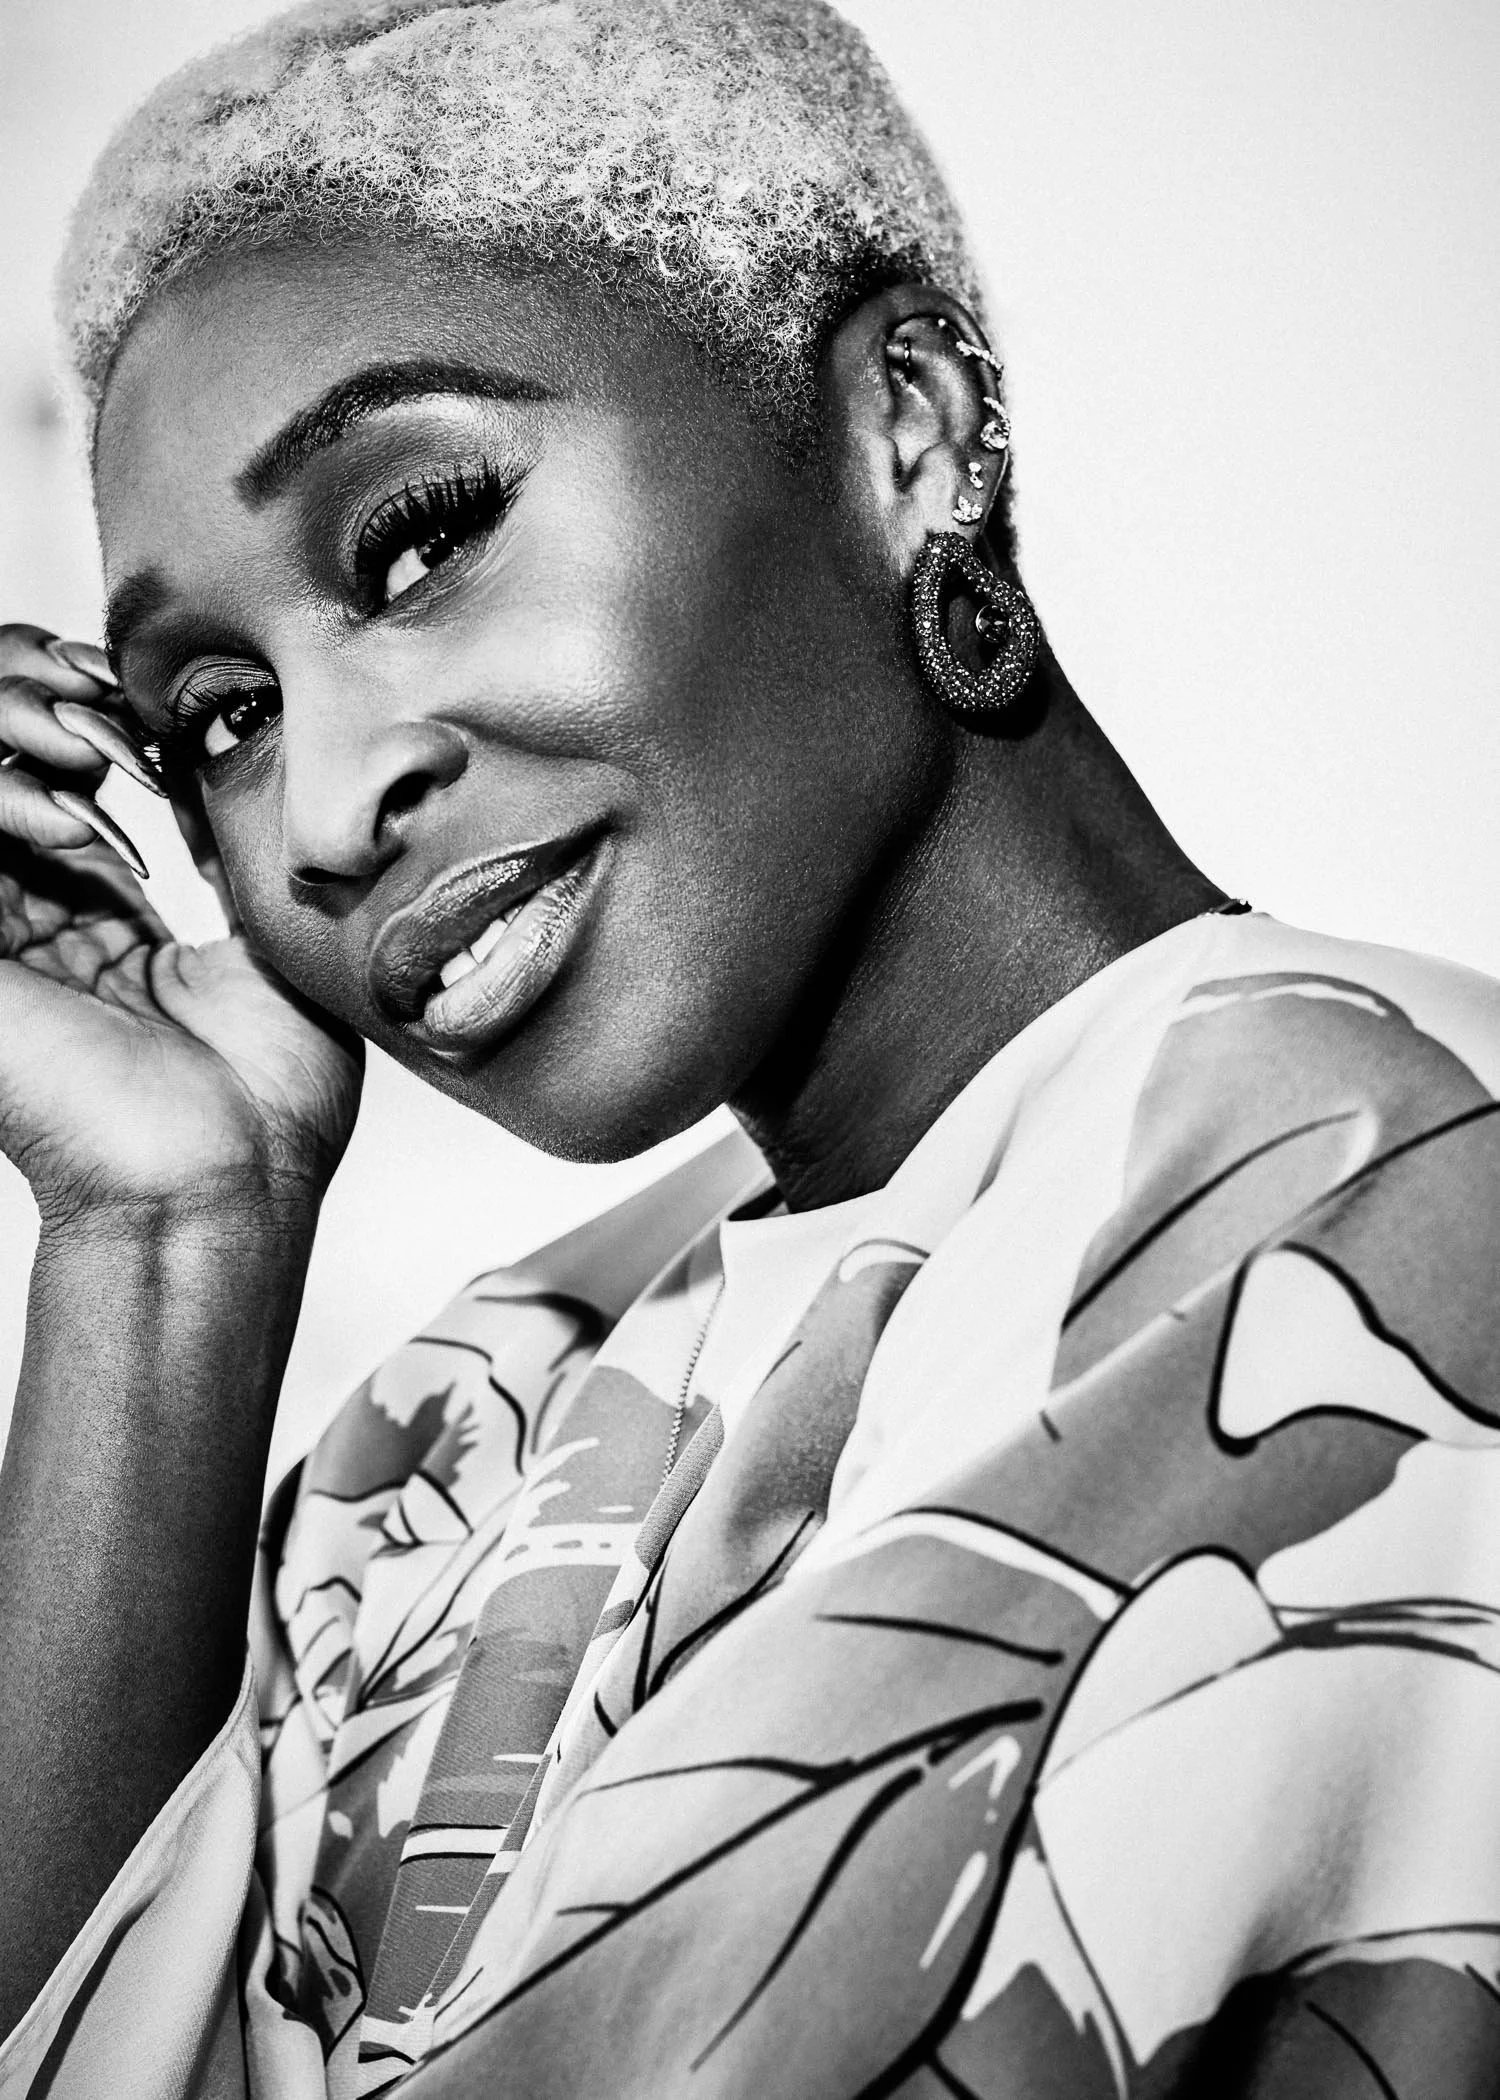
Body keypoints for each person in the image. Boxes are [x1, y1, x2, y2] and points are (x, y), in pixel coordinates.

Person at [0, 0, 1497, 2092]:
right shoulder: (451, 1432)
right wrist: (161, 1240)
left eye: (420, 535)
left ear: (908, 428)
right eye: (214, 720)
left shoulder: (1381, 1204)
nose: (323, 810)